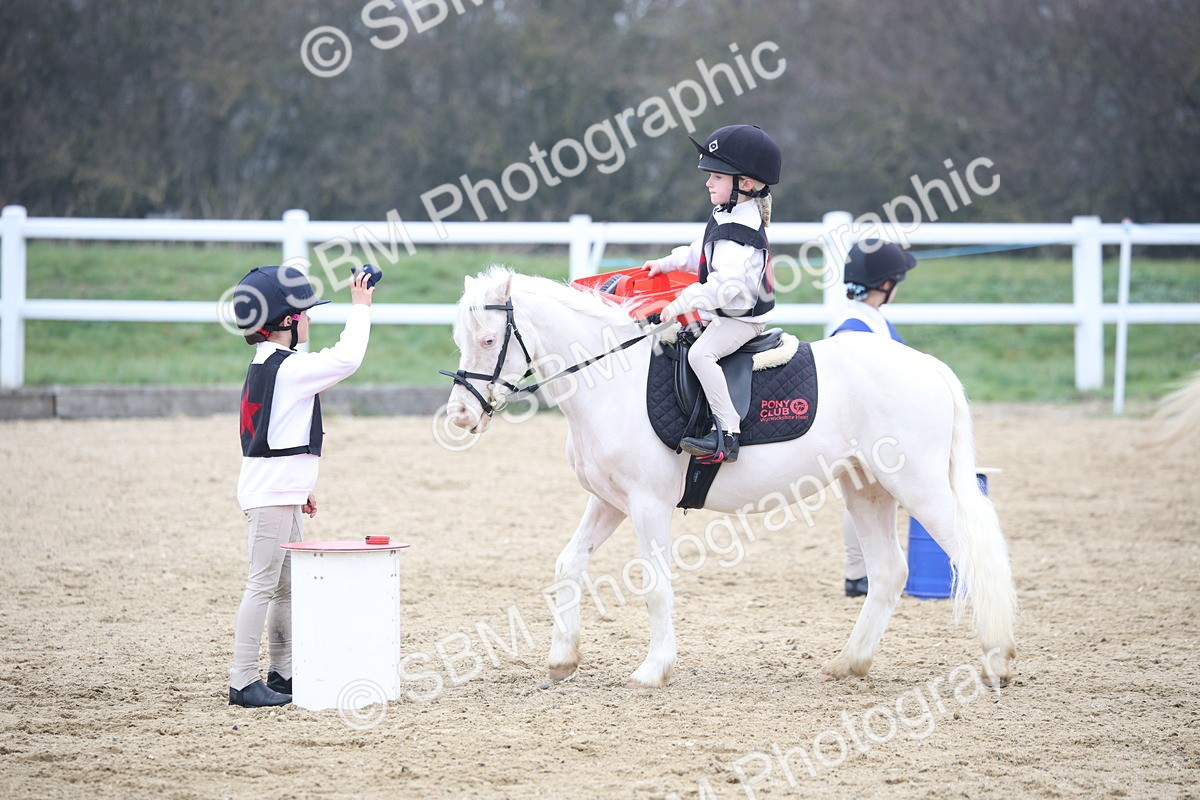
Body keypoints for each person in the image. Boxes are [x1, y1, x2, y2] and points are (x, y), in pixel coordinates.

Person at [227, 265, 374, 707]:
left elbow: (274, 434)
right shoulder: (290, 368)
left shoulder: (268, 364)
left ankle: (282, 672)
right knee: (262, 585)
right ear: (288, 322)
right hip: (271, 496)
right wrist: (361, 308)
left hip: (280, 491)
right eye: (305, 314)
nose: (309, 320)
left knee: (286, 588)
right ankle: (241, 679)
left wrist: (299, 485)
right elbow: (347, 359)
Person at [643, 123, 782, 463]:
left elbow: (722, 288)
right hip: (723, 311)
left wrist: (681, 304)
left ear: (745, 185)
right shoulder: (728, 212)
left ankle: (727, 432)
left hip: (739, 319)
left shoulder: (740, 230)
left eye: (716, 177)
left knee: (700, 355)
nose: (708, 182)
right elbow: (700, 251)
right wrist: (667, 263)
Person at [831, 240, 917, 596]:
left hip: (877, 426)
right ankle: (858, 572)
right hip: (863, 429)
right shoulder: (854, 330)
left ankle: (861, 572)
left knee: (874, 498)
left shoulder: (872, 321)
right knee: (864, 497)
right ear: (885, 284)